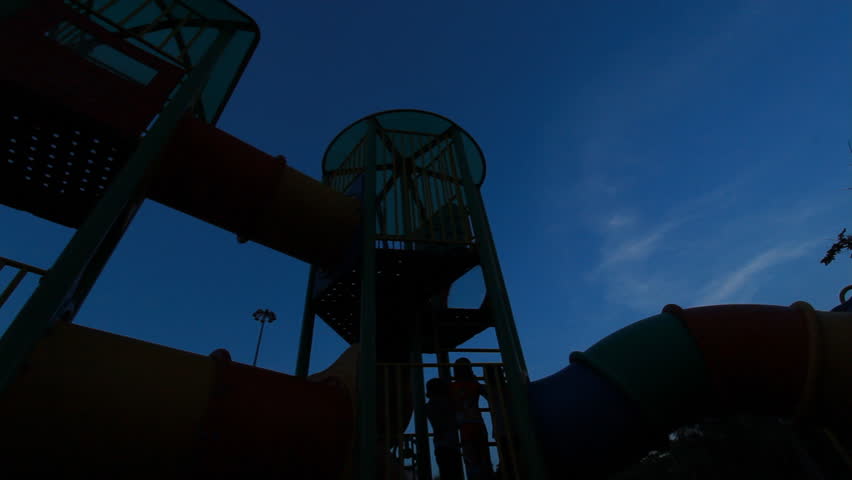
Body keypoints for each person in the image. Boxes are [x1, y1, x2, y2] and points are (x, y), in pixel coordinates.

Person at [450, 358, 494, 480]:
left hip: (464, 425)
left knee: (470, 457)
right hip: (477, 422)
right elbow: (490, 395)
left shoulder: (452, 387)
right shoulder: (475, 384)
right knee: (483, 456)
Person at [425, 378, 464, 480]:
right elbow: (458, 421)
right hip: (452, 444)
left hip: (439, 444)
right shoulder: (448, 403)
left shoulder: (429, 406)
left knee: (446, 472)